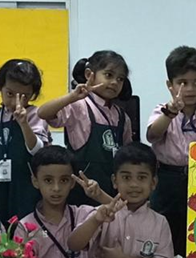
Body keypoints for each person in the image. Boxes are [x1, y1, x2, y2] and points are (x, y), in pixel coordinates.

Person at [68, 143, 174, 258]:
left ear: (153, 183)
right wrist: (96, 220)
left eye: (142, 177)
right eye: (126, 177)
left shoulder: (160, 223)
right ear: (114, 181)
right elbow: (73, 244)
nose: (134, 184)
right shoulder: (102, 213)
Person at [19, 146, 114, 258]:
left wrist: (99, 195)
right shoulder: (25, 226)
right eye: (48, 180)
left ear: (72, 183)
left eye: (63, 180)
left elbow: (122, 212)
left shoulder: (84, 215)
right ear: (35, 181)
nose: (56, 188)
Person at [145, 46, 196, 257]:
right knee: (163, 232)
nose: (190, 89)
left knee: (195, 234)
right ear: (170, 85)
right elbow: (152, 135)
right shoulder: (162, 110)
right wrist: (170, 113)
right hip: (166, 180)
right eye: (183, 82)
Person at [39, 50, 134, 204]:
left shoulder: (122, 117)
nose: (115, 82)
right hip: (81, 191)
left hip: (112, 192)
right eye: (109, 75)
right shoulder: (78, 106)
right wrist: (72, 96)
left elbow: (127, 154)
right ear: (90, 74)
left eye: (120, 79)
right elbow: (43, 113)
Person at [0, 59, 51, 222]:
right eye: (10, 94)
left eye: (24, 96)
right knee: (2, 226)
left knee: (27, 227)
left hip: (28, 187)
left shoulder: (36, 114)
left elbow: (38, 151)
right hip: (2, 186)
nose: (16, 102)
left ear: (32, 94)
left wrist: (24, 124)